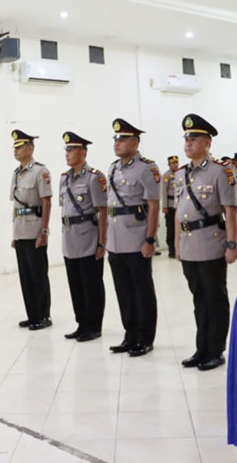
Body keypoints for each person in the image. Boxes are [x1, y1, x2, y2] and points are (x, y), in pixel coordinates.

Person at [174, 114, 237, 371]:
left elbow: (230, 211)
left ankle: (216, 350)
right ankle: (201, 348)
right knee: (198, 299)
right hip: (189, 244)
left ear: (207, 142)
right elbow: (179, 211)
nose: (189, 143)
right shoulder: (181, 174)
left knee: (215, 298)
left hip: (211, 242)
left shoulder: (221, 171)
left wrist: (232, 244)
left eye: (194, 138)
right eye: (186, 138)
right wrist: (177, 244)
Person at [106, 118, 160, 357]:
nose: (117, 143)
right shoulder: (113, 168)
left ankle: (145, 337)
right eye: (115, 139)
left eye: (123, 138)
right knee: (123, 291)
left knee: (142, 290)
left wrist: (150, 239)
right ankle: (130, 334)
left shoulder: (147, 168)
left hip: (136, 238)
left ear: (135, 143)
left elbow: (154, 206)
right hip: (115, 239)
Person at [59, 131, 107, 342]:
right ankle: (81, 323)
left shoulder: (95, 177)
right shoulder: (64, 178)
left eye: (72, 149)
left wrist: (102, 243)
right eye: (66, 150)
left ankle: (94, 326)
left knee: (91, 284)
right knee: (75, 284)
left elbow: (102, 212)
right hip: (69, 239)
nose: (68, 153)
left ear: (83, 152)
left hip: (88, 238)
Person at [10, 130, 53, 330]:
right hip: (21, 231)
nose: (16, 151)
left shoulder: (40, 171)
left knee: (38, 275)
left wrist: (43, 231)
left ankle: (44, 315)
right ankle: (32, 314)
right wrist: (14, 235)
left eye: (19, 147)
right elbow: (16, 207)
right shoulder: (16, 174)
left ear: (30, 148)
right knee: (25, 277)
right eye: (15, 148)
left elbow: (46, 202)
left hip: (35, 230)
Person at [161, 155, 180, 258]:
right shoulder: (166, 176)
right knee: (171, 229)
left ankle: (179, 249)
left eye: (176, 162)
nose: (175, 165)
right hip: (170, 206)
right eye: (173, 163)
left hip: (179, 205)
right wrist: (164, 206)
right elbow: (163, 192)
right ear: (169, 165)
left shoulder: (181, 174)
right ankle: (171, 250)